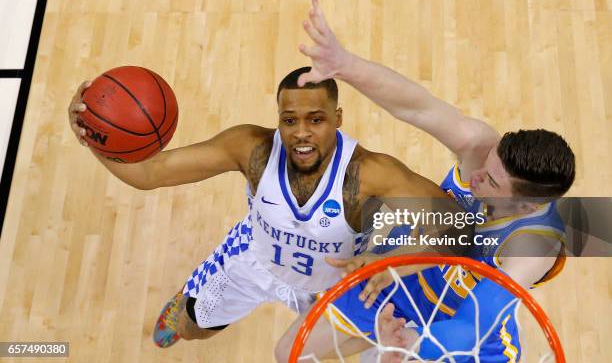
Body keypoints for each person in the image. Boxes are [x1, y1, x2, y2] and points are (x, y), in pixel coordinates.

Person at [68, 66, 458, 349]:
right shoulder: (251, 149)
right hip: (253, 263)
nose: (301, 132)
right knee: (192, 328)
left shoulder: (372, 173)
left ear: (337, 119)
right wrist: (94, 138)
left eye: (316, 120)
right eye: (290, 120)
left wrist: (393, 259)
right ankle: (184, 308)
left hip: (332, 286)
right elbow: (149, 173)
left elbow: (459, 224)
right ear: (278, 120)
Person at [274, 0, 575, 362]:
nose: (475, 176)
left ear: (527, 204)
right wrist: (345, 64)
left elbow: (473, 323)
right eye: (487, 164)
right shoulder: (481, 147)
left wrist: (411, 346)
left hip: (459, 318)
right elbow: (417, 106)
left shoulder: (534, 244)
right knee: (289, 353)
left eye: (492, 182)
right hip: (401, 273)